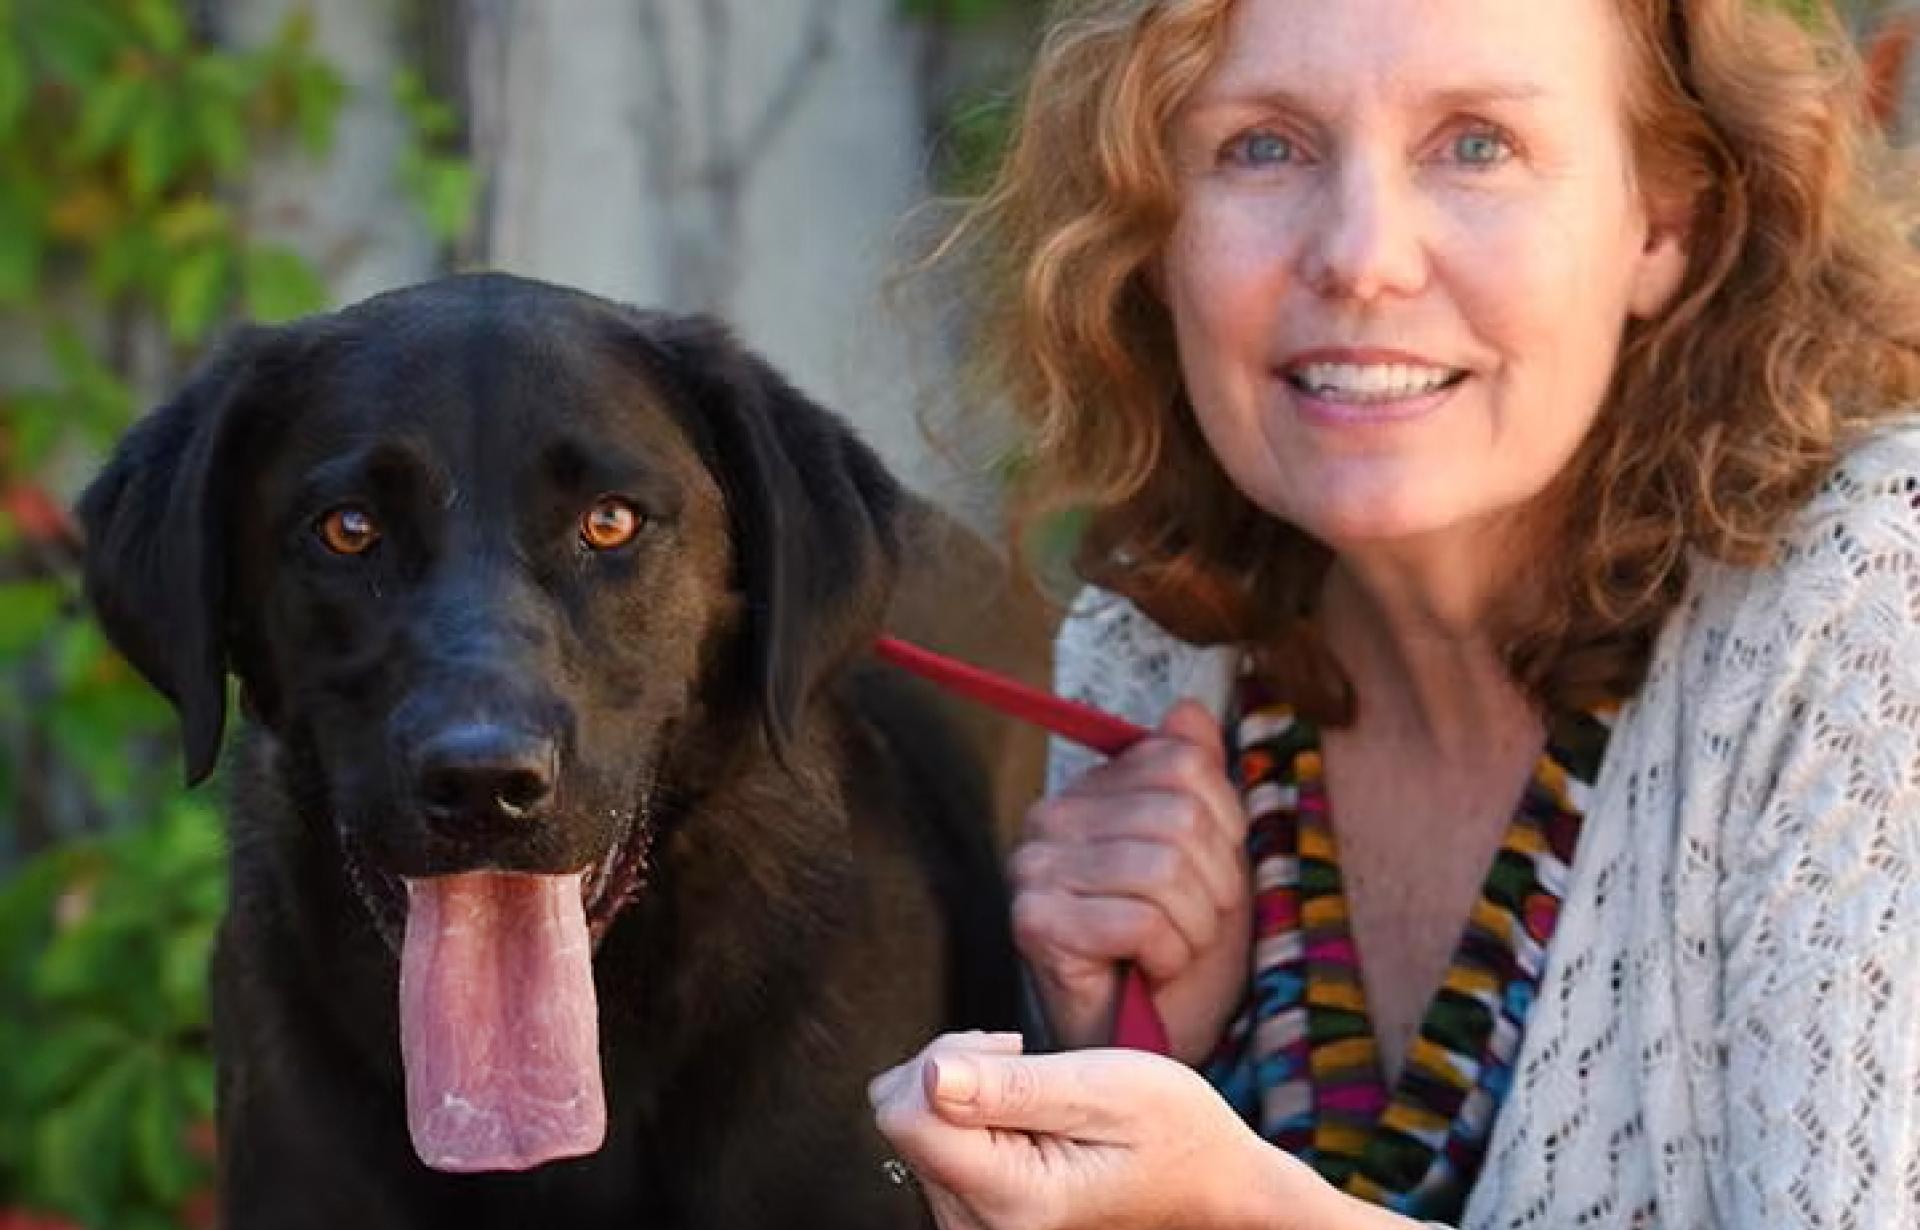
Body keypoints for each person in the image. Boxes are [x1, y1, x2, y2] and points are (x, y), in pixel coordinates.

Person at [868, 0, 1920, 1226]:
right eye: (1264, 144)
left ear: (1663, 222)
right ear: (1148, 220)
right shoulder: (1155, 651)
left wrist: (1242, 1210)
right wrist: (1142, 1048)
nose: (1362, 255)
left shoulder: (1867, 606)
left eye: (1476, 143)